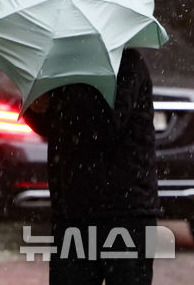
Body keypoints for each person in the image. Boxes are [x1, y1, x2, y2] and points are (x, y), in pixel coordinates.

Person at [24, 48, 158, 285]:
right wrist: (35, 107)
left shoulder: (126, 62)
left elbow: (105, 125)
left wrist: (56, 101)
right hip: (73, 212)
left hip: (124, 212)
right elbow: (57, 126)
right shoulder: (60, 63)